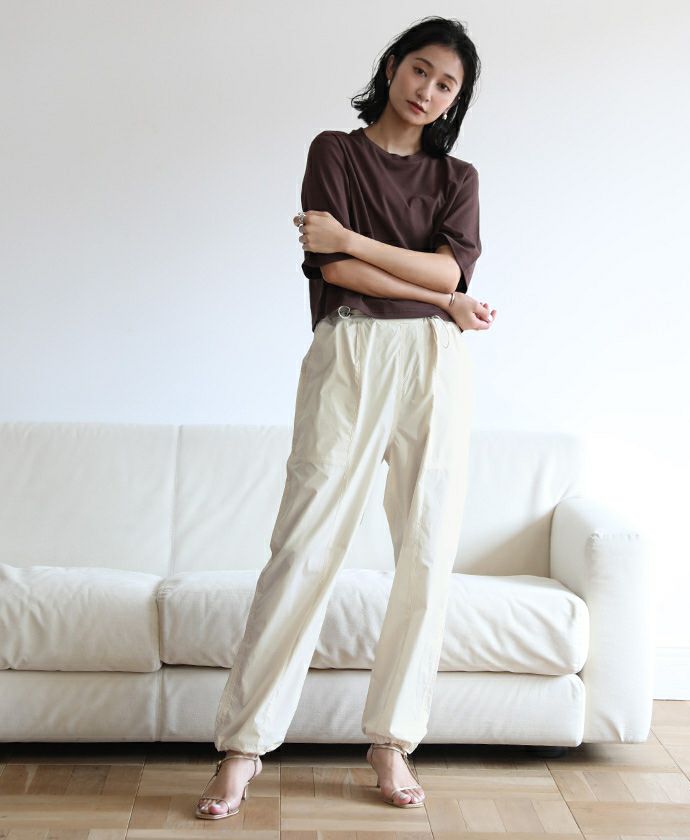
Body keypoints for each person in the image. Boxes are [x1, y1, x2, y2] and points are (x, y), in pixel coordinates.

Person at [195, 15, 497, 820]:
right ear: (392, 66)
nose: (428, 91)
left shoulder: (458, 177)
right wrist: (438, 292)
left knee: (426, 554)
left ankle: (392, 741)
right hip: (351, 347)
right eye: (421, 70)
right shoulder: (334, 150)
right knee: (303, 549)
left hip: (432, 363)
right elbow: (334, 268)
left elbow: (441, 269)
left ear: (455, 99)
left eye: (447, 85)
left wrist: (397, 266)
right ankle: (242, 748)